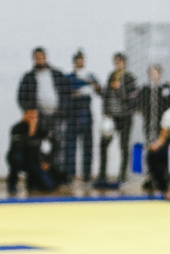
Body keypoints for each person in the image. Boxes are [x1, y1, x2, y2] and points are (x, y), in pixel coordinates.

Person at [100, 52, 139, 188]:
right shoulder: (111, 76)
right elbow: (105, 96)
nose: (117, 65)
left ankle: (122, 175)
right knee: (103, 144)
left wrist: (119, 90)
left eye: (119, 62)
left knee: (124, 146)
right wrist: (105, 112)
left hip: (125, 117)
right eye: (115, 62)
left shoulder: (129, 78)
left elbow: (132, 100)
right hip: (112, 118)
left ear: (124, 63)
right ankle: (102, 174)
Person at [16, 47, 67, 148]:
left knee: (57, 144)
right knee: (36, 144)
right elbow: (21, 97)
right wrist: (30, 111)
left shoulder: (57, 75)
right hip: (38, 117)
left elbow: (66, 93)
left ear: (45, 57)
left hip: (56, 116)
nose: (39, 59)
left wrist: (63, 110)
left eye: (41, 57)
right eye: (36, 57)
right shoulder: (28, 77)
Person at [61, 50, 97, 183]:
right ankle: (70, 174)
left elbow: (99, 90)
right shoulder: (69, 78)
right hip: (73, 115)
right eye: (78, 60)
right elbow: (66, 94)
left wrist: (92, 85)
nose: (80, 62)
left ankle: (87, 174)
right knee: (70, 147)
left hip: (86, 114)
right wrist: (77, 92)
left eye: (82, 60)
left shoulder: (90, 76)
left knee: (87, 147)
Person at [6, 106, 58, 196]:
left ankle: (32, 182)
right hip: (20, 159)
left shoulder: (41, 129)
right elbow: (17, 148)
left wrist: (48, 160)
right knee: (16, 158)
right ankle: (12, 184)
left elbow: (55, 144)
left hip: (33, 160)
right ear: (25, 115)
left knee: (49, 186)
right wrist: (30, 133)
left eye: (36, 116)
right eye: (31, 116)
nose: (34, 119)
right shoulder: (17, 128)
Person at [137, 64, 170, 192]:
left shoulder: (165, 88)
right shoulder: (145, 90)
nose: (153, 76)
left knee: (163, 151)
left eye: (155, 73)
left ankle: (165, 177)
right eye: (151, 73)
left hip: (163, 127)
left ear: (160, 74)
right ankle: (151, 177)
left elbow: (169, 105)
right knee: (150, 151)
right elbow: (140, 105)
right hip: (149, 126)